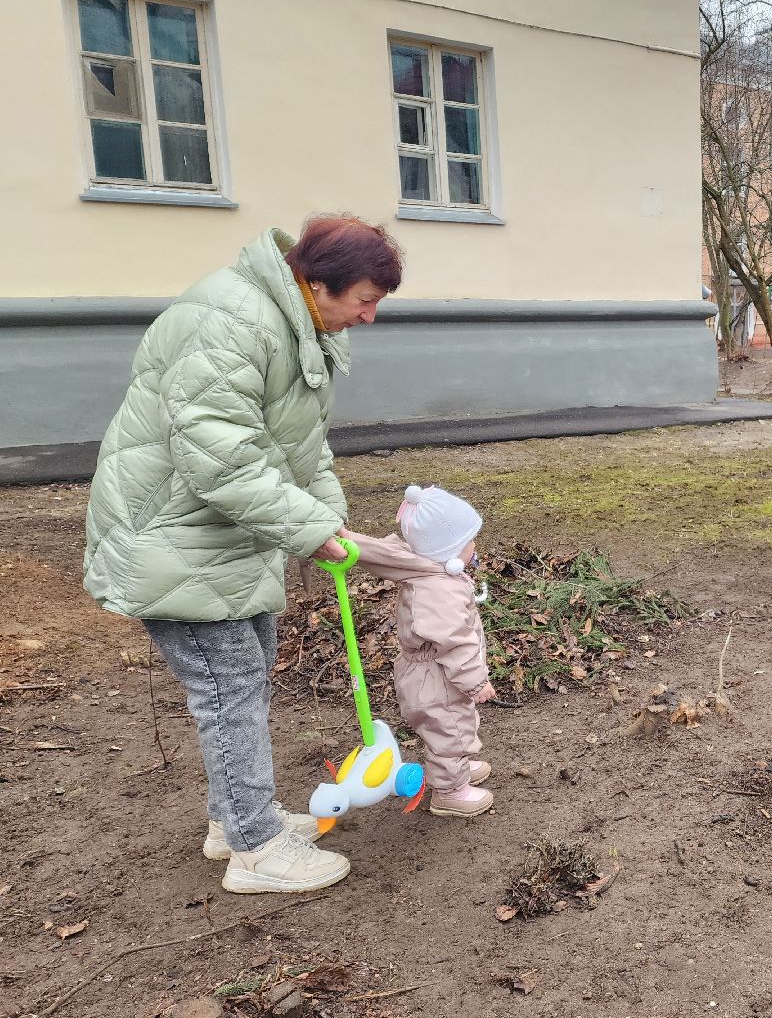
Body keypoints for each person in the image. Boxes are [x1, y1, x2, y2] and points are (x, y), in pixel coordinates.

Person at [83, 216, 404, 894]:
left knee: (244, 675)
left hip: (219, 537)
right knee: (229, 688)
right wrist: (308, 528)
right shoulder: (230, 323)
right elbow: (221, 463)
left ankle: (235, 821)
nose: (370, 317)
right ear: (317, 283)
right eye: (364, 300)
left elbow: (301, 447)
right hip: (172, 534)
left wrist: (328, 520)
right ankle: (256, 851)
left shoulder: (293, 327)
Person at [344, 486, 498, 818]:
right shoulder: (440, 589)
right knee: (450, 730)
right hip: (437, 674)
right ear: (450, 549)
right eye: (470, 540)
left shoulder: (428, 569)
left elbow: (386, 551)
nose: (475, 547)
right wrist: (476, 681)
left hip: (431, 671)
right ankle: (450, 791)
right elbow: (455, 642)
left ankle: (455, 770)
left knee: (454, 724)